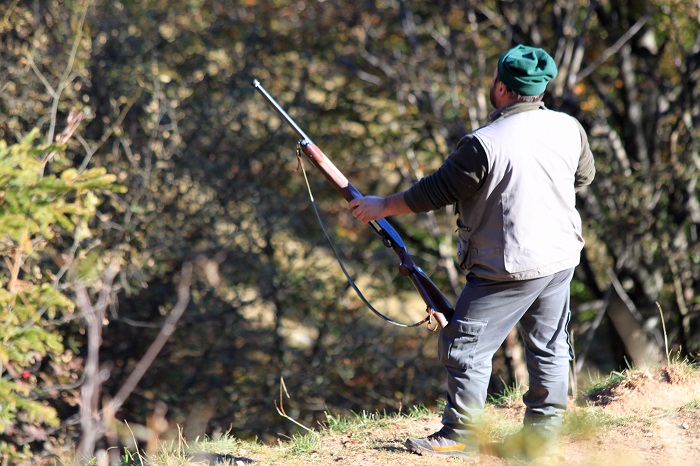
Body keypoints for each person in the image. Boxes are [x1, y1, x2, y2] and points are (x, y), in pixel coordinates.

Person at [348, 44, 595, 459]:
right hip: (562, 257)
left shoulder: (484, 143)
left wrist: (380, 206)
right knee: (550, 346)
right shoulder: (569, 127)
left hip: (509, 266)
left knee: (464, 346)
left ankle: (459, 434)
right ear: (540, 88)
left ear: (501, 86)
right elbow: (583, 177)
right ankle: (542, 438)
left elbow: (435, 192)